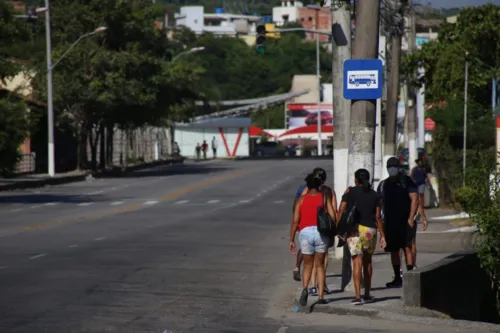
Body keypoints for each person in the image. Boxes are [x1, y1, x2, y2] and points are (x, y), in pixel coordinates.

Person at [337, 169, 386, 305]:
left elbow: (341, 210)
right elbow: (378, 217)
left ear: (356, 180)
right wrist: (383, 235)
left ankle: (357, 296)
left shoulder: (350, 192)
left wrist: (339, 228)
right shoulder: (375, 195)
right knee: (368, 262)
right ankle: (367, 294)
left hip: (354, 230)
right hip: (370, 230)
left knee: (356, 262)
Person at [290, 172, 336, 306]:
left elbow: (295, 221)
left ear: (308, 185)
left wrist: (291, 239)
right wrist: (333, 231)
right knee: (320, 265)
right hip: (320, 233)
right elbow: (332, 215)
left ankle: (305, 289)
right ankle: (321, 296)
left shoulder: (301, 200)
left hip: (305, 233)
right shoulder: (324, 197)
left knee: (307, 265)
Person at [377, 157, 420, 288]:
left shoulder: (407, 182)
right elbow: (378, 202)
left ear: (398, 167)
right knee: (394, 250)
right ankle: (397, 277)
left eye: (394, 166)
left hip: (405, 221)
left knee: (407, 247)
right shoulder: (383, 184)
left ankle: (411, 277)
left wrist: (411, 217)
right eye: (390, 166)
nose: (392, 168)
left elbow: (415, 199)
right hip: (390, 222)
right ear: (387, 168)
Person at [409, 158, 429, 267]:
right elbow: (418, 206)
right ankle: (412, 265)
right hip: (410, 221)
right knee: (412, 244)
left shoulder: (396, 190)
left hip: (401, 220)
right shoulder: (413, 191)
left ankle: (405, 268)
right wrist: (424, 218)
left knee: (403, 246)